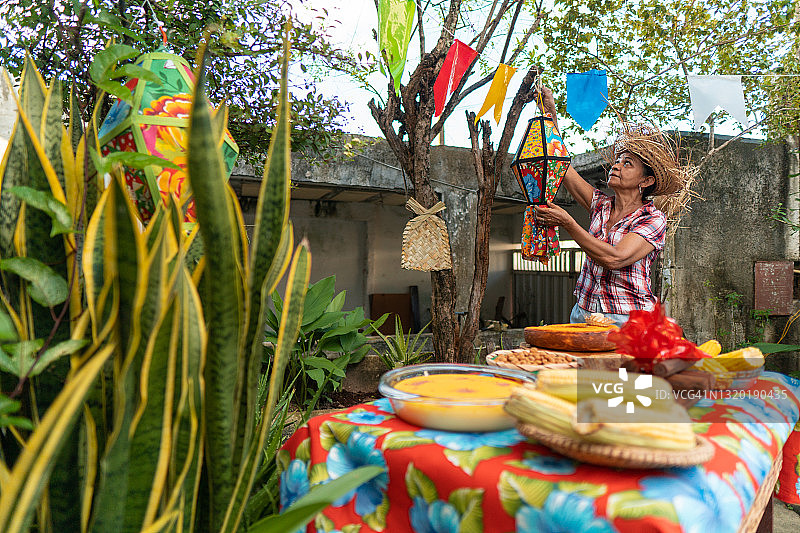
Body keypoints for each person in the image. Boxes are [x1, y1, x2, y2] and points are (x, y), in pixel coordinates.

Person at [532, 87, 692, 327]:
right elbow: (560, 165)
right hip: (584, 313)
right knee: (584, 367)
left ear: (646, 181)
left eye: (627, 164)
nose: (616, 167)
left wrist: (568, 223)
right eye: (617, 161)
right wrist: (550, 116)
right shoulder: (601, 205)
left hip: (627, 319)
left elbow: (615, 259)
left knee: (622, 367)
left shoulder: (653, 218)